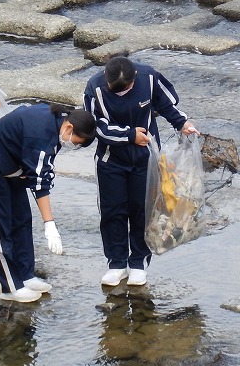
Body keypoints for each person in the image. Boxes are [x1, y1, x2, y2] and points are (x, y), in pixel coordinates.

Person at [83, 56, 199, 287]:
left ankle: (138, 263)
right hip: (111, 160)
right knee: (113, 212)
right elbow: (96, 127)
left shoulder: (149, 78)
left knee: (143, 212)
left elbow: (167, 105)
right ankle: (116, 264)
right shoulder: (94, 88)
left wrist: (182, 124)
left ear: (134, 80)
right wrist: (128, 135)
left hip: (146, 159)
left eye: (125, 89)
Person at [0, 104, 96, 303]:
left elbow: (44, 168)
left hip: (15, 167)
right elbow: (40, 181)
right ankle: (9, 286)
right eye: (76, 142)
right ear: (69, 128)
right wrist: (49, 224)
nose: (74, 146)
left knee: (22, 220)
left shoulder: (59, 122)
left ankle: (26, 275)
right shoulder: (41, 133)